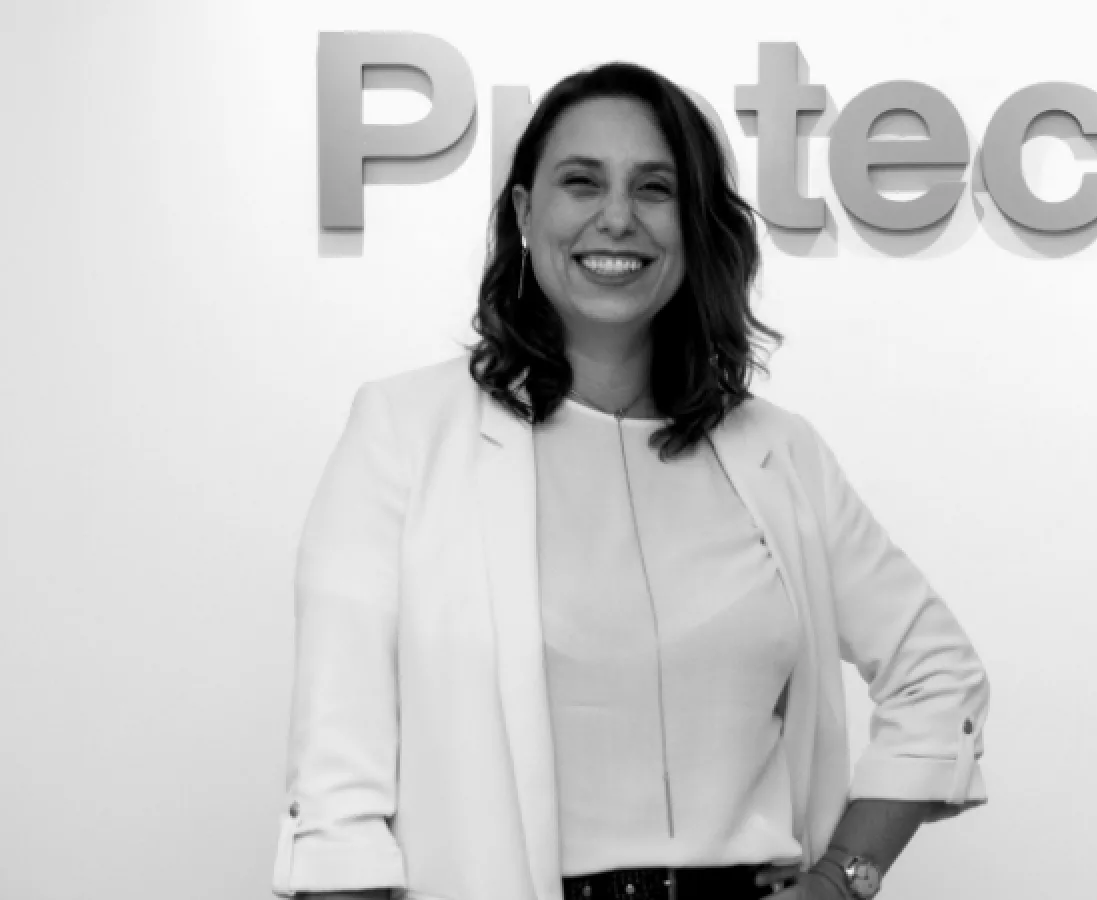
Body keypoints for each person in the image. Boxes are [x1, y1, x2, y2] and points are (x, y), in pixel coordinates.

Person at [271, 61, 989, 900]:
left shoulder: (780, 453)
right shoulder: (404, 432)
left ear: (696, 222)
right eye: (582, 182)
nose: (618, 217)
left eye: (656, 188)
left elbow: (938, 673)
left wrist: (843, 878)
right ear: (524, 211)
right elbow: (338, 796)